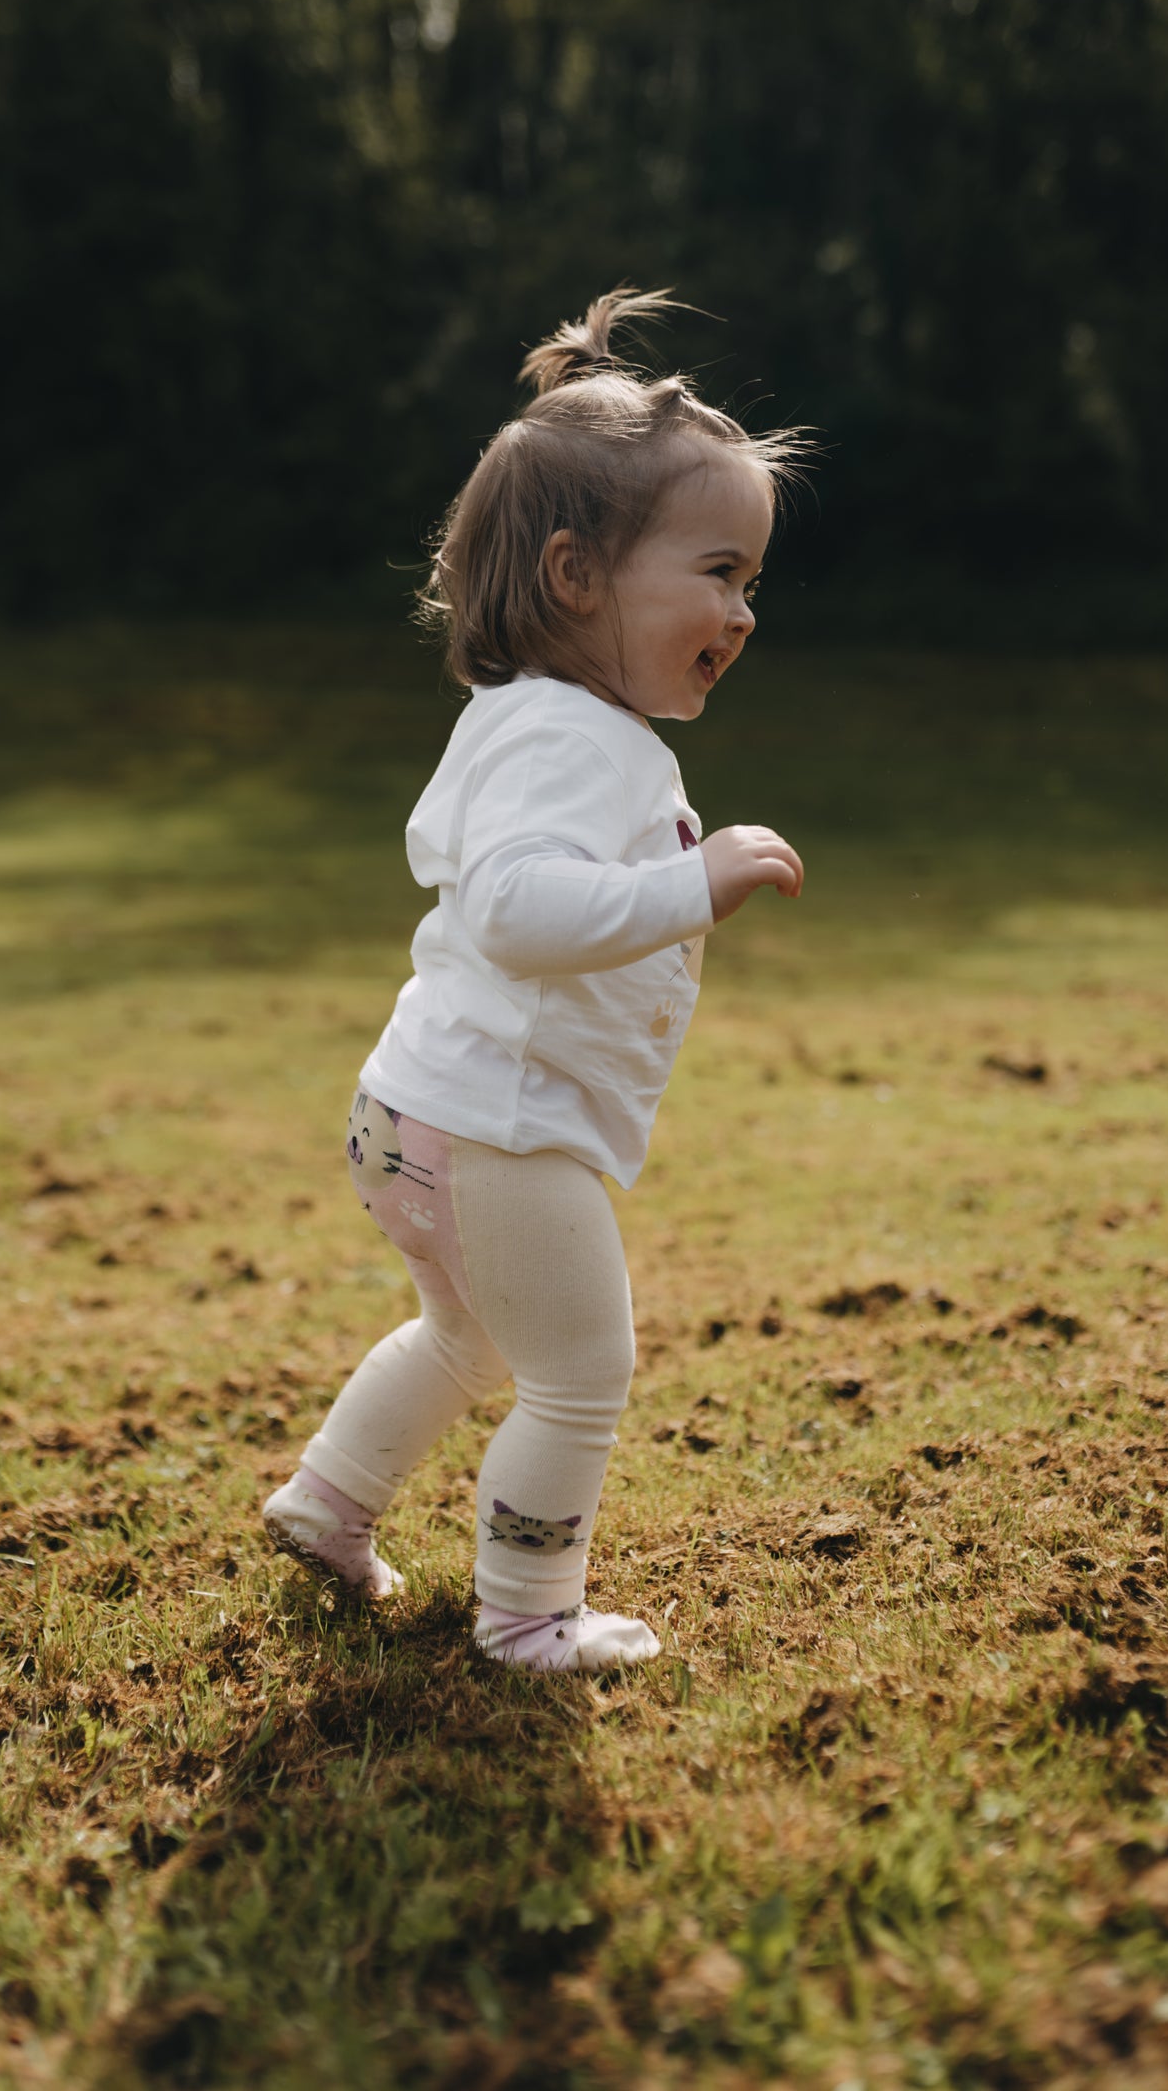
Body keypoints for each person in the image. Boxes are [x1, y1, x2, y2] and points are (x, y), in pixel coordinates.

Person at [263, 288, 809, 1673]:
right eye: (716, 571)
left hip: (423, 1116)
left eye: (749, 579)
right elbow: (512, 909)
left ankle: (328, 1503)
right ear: (577, 578)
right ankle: (525, 1615)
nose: (740, 612)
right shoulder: (572, 739)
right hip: (499, 1131)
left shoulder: (537, 721)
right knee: (580, 1377)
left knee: (463, 1341)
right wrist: (691, 884)